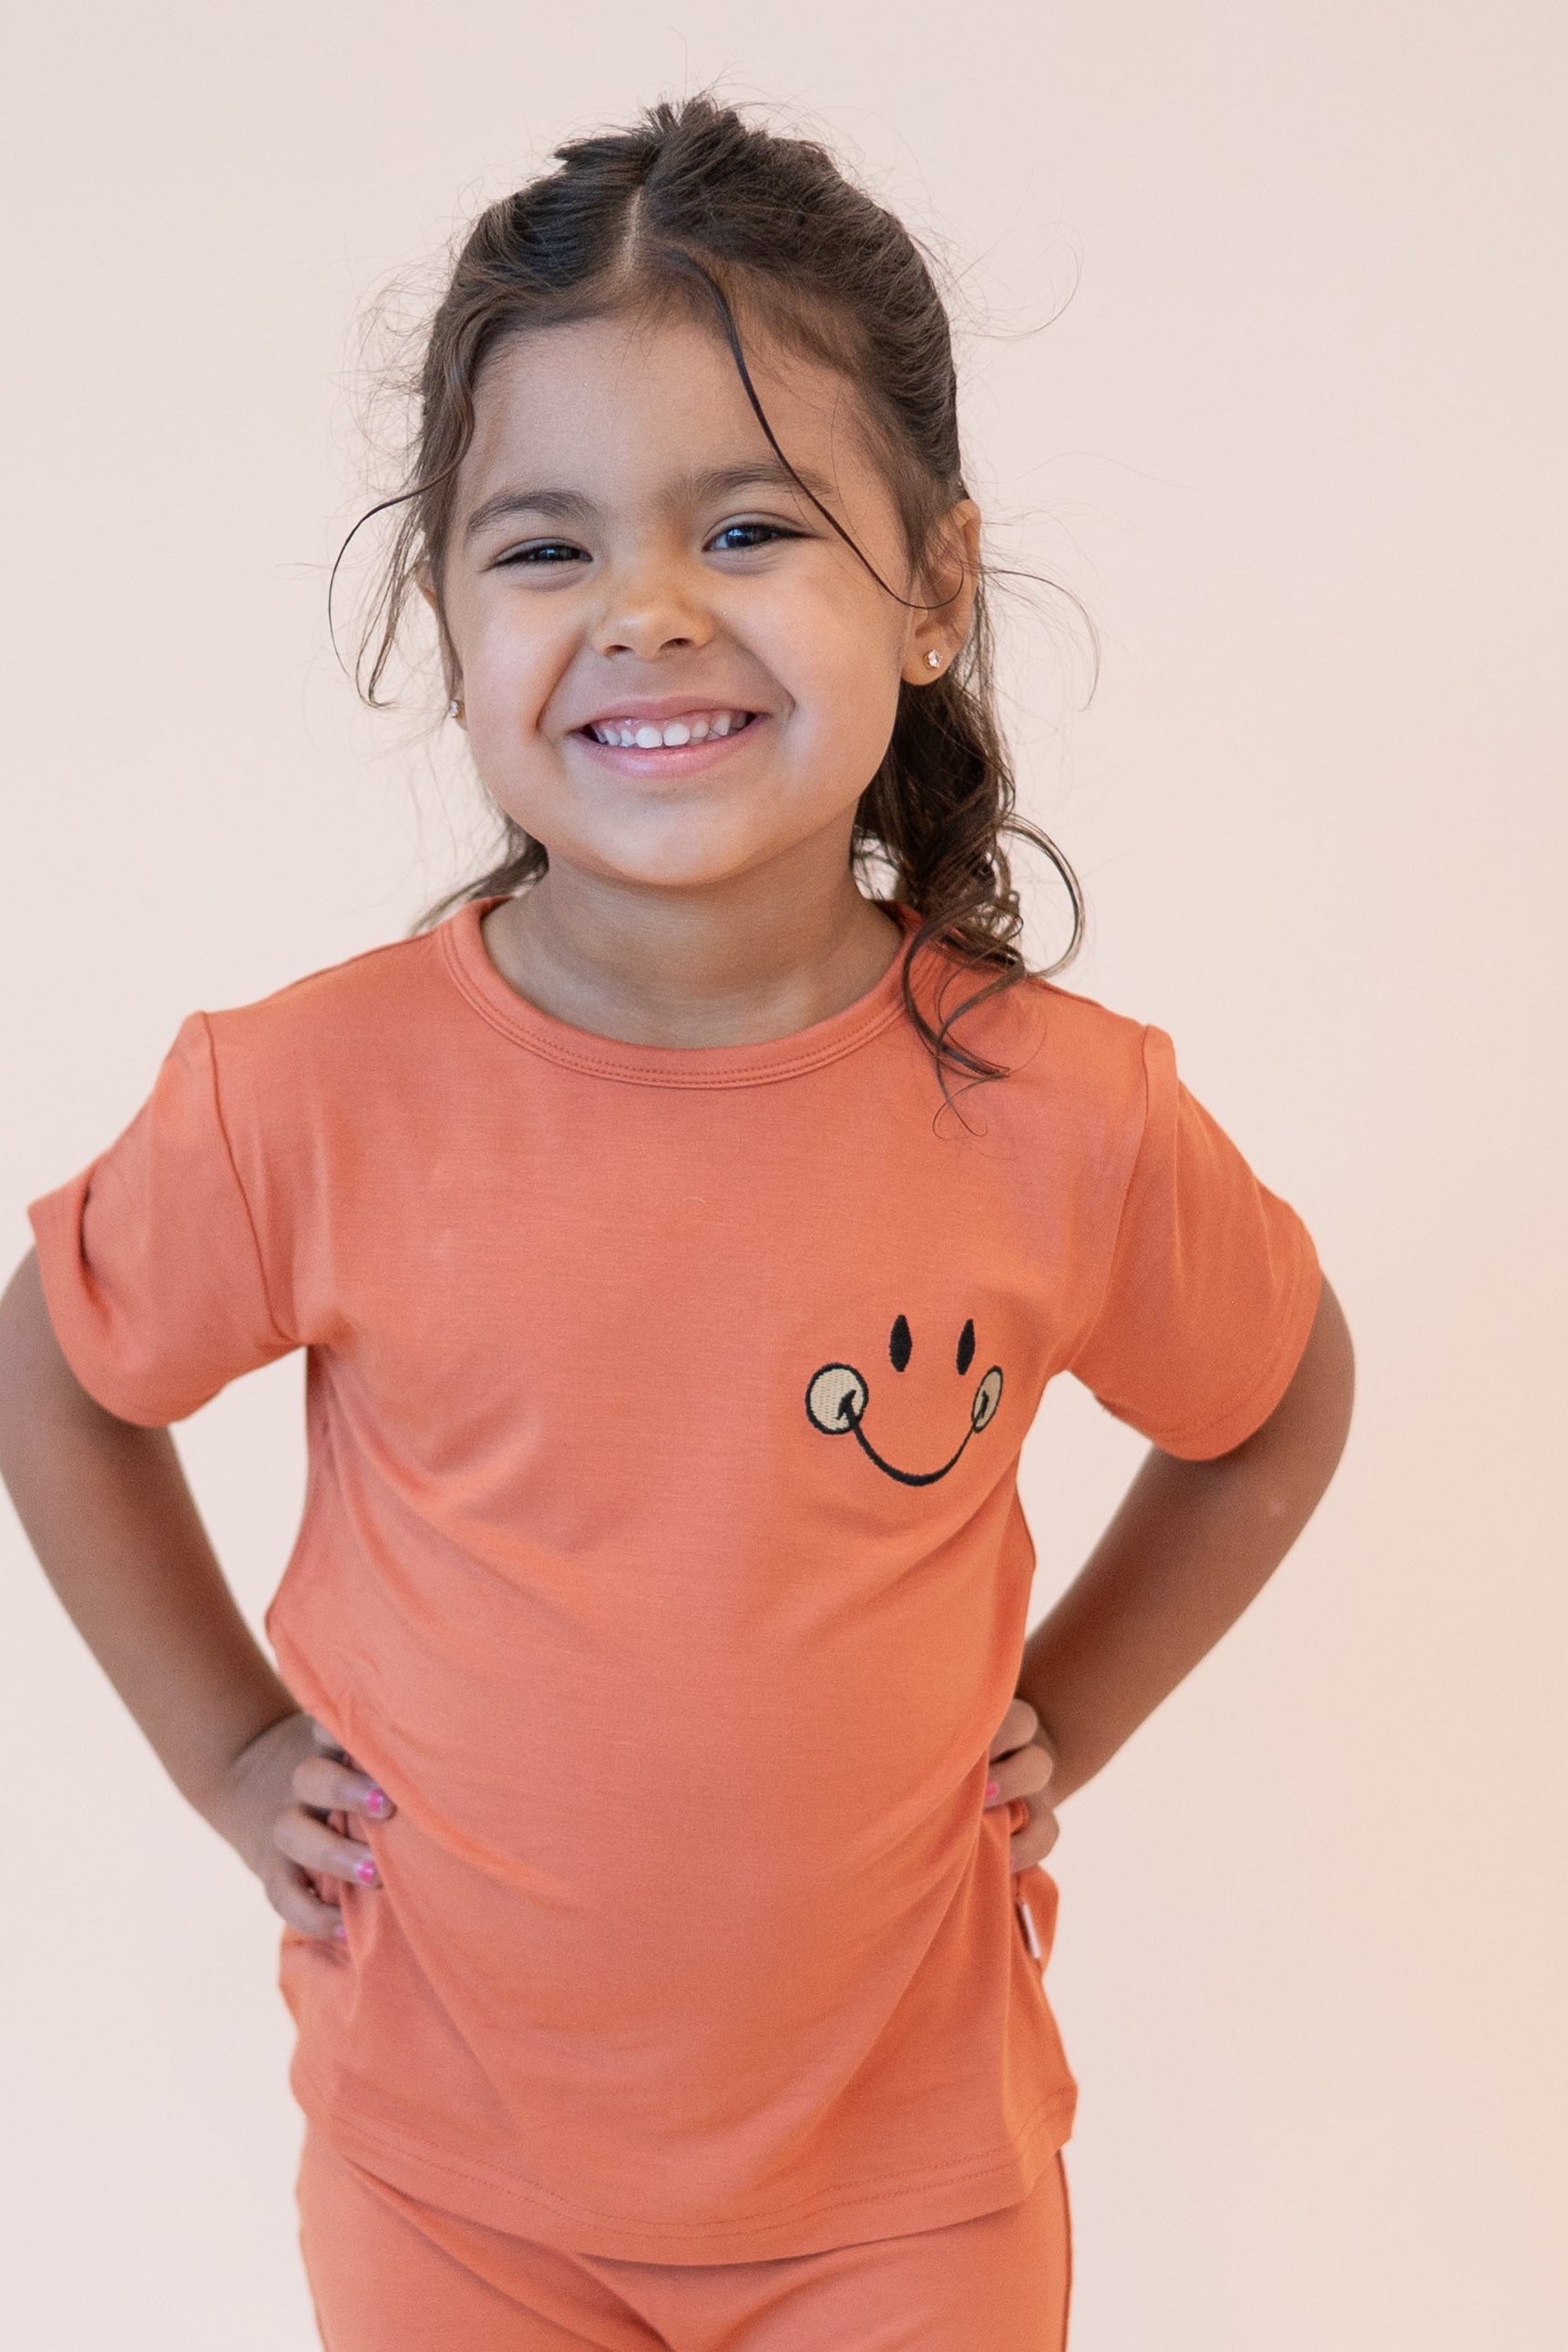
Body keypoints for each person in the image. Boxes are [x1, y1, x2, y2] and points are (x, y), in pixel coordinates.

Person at [0, 90, 1354, 2352]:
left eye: (747, 527)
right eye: (541, 548)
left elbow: (1275, 1394)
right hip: (453, 2182)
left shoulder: (1070, 1112)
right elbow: (60, 1356)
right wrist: (232, 1751)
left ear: (930, 590)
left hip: (906, 2203)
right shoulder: (298, 1096)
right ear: (444, 611)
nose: (642, 611)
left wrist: (1070, 1715)